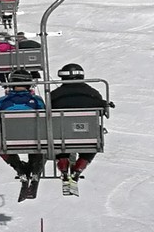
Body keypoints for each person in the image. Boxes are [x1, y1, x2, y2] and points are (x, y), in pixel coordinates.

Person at [46, 63, 110, 191]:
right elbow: (102, 109)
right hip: (87, 135)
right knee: (92, 139)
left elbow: (47, 111)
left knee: (58, 137)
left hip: (62, 136)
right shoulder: (93, 93)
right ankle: (78, 169)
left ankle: (64, 168)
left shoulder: (54, 95)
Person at [0, 82, 46, 199]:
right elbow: (44, 117)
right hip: (33, 139)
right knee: (41, 135)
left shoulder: (3, 101)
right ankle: (35, 167)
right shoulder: (37, 100)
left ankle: (18, 167)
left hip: (10, 140)